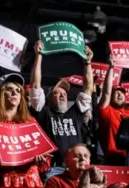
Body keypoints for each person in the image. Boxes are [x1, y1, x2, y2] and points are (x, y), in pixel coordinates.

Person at [29, 41, 94, 174]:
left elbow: (88, 88)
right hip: (53, 169)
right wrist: (39, 56)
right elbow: (35, 85)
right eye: (57, 93)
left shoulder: (75, 113)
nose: (62, 95)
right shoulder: (44, 113)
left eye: (64, 93)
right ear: (48, 98)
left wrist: (87, 63)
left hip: (77, 169)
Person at [0, 77, 50, 187]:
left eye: (18, 90)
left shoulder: (30, 121)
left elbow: (45, 159)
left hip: (28, 183)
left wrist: (42, 159)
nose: (14, 92)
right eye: (9, 89)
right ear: (0, 94)